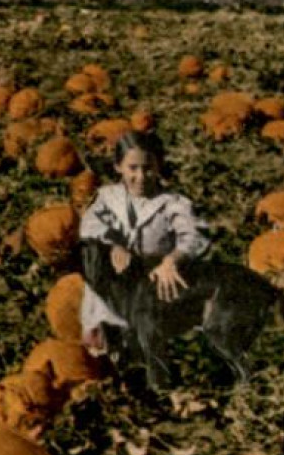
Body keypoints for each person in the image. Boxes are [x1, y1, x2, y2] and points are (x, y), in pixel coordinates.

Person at [78, 131, 209, 356]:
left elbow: (194, 237)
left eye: (148, 168)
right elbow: (89, 227)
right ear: (118, 167)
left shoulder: (173, 203)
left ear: (159, 167)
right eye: (133, 168)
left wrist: (172, 259)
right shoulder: (107, 198)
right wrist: (114, 245)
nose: (141, 176)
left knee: (153, 343)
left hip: (155, 280)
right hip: (114, 285)